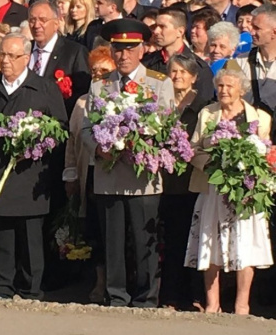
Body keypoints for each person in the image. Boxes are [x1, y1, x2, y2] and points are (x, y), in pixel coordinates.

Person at [81, 19, 175, 307]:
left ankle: (147, 298)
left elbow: (168, 128)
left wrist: (141, 145)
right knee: (113, 242)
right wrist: (100, 148)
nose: (123, 55)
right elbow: (86, 129)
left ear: (143, 49)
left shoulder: (159, 84)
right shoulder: (100, 85)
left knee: (145, 240)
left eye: (129, 49)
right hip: (109, 175)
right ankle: (116, 295)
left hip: (142, 176)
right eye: (117, 49)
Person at [0, 33, 68, 299]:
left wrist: (36, 147)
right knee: (2, 237)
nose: (5, 61)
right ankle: (4, 288)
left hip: (30, 178)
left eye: (12, 56)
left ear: (26, 58)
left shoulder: (44, 88)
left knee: (30, 239)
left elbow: (60, 131)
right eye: (2, 54)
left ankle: (30, 291)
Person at [185, 62, 272, 315]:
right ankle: (213, 304)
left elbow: (266, 155)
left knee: (245, 246)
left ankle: (242, 304)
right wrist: (213, 165)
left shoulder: (260, 117)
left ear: (241, 90)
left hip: (244, 192)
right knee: (209, 244)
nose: (223, 90)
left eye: (229, 86)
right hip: (211, 188)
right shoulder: (207, 114)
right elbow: (193, 150)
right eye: (220, 85)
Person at [64, 46, 116, 303]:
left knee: (114, 231)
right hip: (90, 176)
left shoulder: (123, 100)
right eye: (94, 71)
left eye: (104, 71)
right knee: (94, 230)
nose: (98, 76)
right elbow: (73, 142)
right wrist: (70, 174)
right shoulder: (82, 102)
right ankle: (99, 281)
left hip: (116, 175)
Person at [157, 54, 208, 310]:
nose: (177, 76)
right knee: (171, 242)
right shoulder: (160, 102)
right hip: (164, 182)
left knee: (192, 240)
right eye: (173, 71)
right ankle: (169, 295)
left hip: (190, 183)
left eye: (182, 72)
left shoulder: (201, 107)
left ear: (194, 76)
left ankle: (195, 295)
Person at [28, 0, 90, 116]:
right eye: (32, 20)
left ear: (56, 23)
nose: (36, 25)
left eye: (43, 20)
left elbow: (82, 95)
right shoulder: (24, 50)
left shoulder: (74, 52)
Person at [143, 8, 214, 103]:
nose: (156, 31)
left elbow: (205, 105)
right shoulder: (146, 63)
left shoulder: (199, 68)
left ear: (180, 31)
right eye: (156, 26)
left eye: (162, 27)